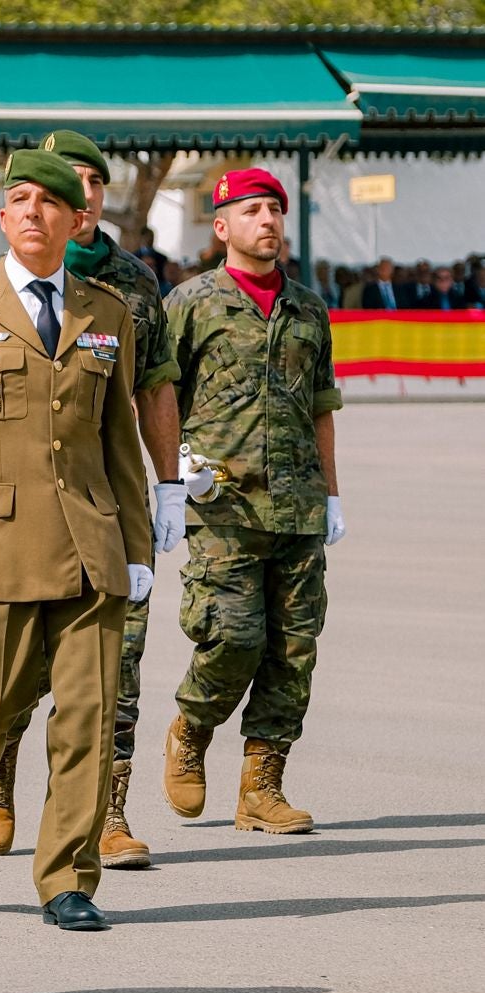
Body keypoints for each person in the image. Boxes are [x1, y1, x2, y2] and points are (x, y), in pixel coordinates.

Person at [0, 149, 153, 932]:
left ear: (77, 220)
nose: (33, 213)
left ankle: (68, 880)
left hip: (90, 544)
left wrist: (139, 548)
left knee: (87, 718)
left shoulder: (107, 314)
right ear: (4, 217)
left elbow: (118, 442)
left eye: (49, 203)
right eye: (19, 199)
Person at [0, 131, 185, 871]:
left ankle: (105, 813)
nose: (81, 195)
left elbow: (155, 385)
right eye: (67, 182)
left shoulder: (135, 283)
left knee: (115, 664)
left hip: (106, 503)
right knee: (21, 664)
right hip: (22, 508)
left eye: (92, 182)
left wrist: (169, 486)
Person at [163, 167, 344, 836]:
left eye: (274, 210)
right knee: (233, 637)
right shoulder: (190, 302)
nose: (267, 221)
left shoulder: (308, 308)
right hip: (222, 505)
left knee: (293, 650)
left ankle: (262, 787)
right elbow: (159, 395)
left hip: (298, 505)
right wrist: (173, 469)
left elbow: (322, 404)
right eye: (251, 211)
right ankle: (192, 726)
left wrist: (332, 493)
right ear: (221, 227)